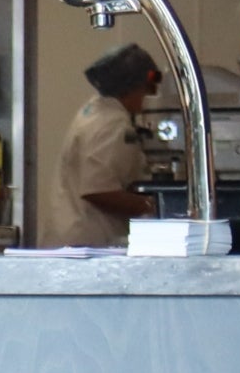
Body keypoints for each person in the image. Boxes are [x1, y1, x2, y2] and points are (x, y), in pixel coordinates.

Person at [45, 43, 161, 248]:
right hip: (86, 243)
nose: (149, 97)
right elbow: (98, 190)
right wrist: (154, 207)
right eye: (147, 89)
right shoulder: (112, 122)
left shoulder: (93, 110)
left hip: (71, 236)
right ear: (132, 87)